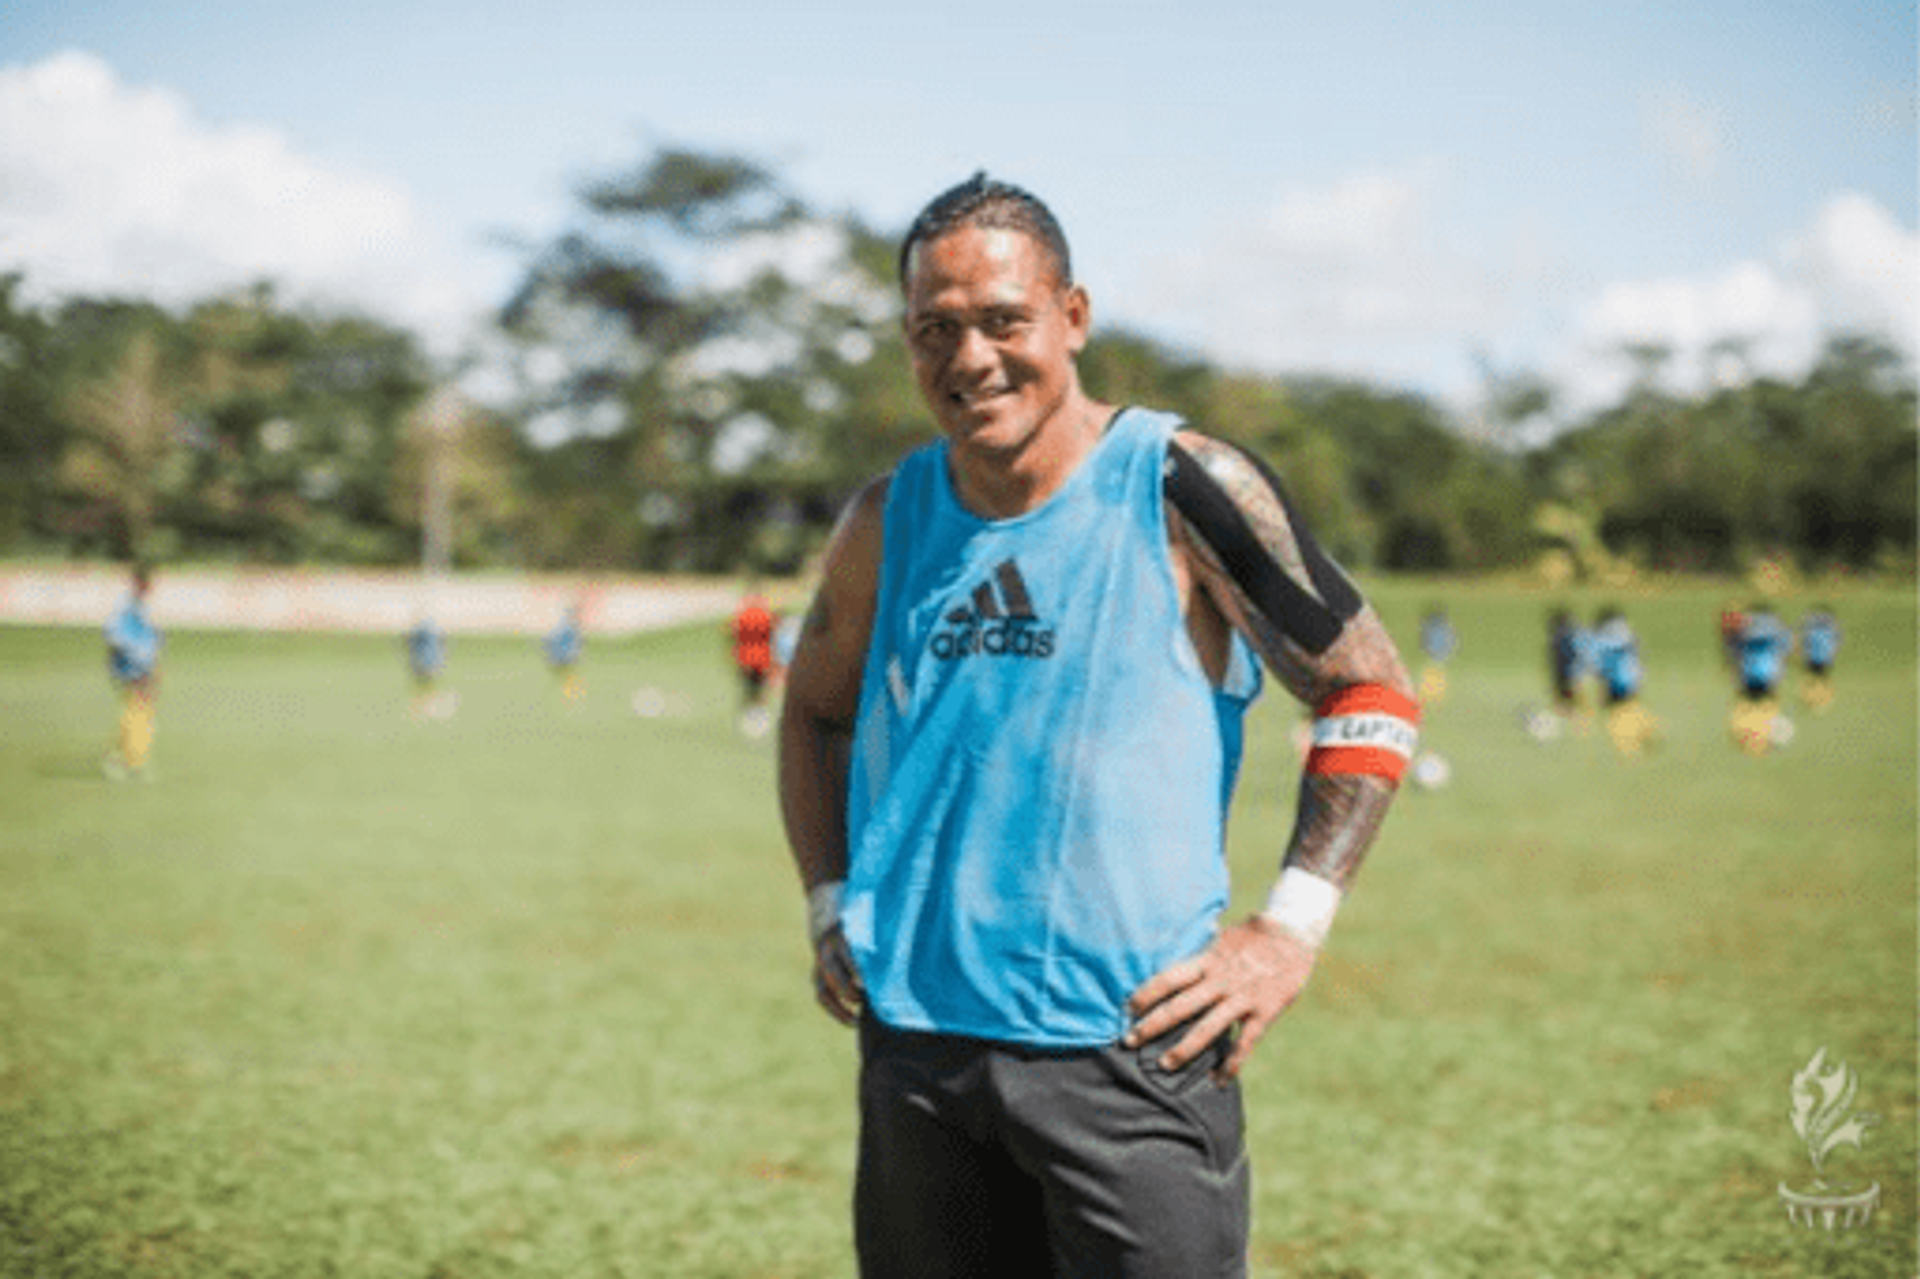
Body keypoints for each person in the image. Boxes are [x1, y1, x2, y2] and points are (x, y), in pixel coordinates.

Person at [777, 174, 1417, 1278]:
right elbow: (814, 711)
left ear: (1072, 316)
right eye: (935, 330)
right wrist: (830, 897)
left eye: (1003, 320)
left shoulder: (1181, 486)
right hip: (919, 1050)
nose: (970, 357)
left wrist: (1287, 933)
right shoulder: (888, 518)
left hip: (1130, 1047)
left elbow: (1369, 690)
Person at [102, 563, 162, 780]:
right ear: (138, 582)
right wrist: (133, 657)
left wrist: (153, 663)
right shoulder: (126, 604)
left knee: (142, 712)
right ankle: (121, 759)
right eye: (147, 583)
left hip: (142, 664)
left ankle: (132, 759)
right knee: (134, 712)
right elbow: (113, 634)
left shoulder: (142, 605)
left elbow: (150, 637)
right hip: (129, 664)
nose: (150, 587)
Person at [1589, 606, 1657, 756]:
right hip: (1630, 679)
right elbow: (1636, 656)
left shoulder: (1605, 640)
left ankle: (1630, 743)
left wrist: (1601, 681)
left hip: (1616, 681)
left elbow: (1601, 664)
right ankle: (1644, 731)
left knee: (1616, 712)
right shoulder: (1627, 635)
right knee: (1630, 706)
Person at [1729, 602, 1794, 755]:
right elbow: (1786, 647)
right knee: (1765, 704)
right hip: (1766, 676)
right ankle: (1759, 736)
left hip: (1751, 675)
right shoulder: (1777, 628)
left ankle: (1750, 735)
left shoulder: (1747, 628)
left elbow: (1735, 647)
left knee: (1750, 704)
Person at [730, 589, 777, 738]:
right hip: (762, 656)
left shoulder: (743, 616)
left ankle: (750, 716)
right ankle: (760, 716)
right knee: (761, 689)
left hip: (746, 657)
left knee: (749, 689)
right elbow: (772, 633)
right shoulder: (765, 615)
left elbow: (734, 633)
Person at [1797, 605, 1841, 715]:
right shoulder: (1822, 696)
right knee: (1819, 646)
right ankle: (1821, 621)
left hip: (1818, 662)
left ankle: (1818, 621)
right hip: (1819, 662)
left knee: (1817, 645)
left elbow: (1827, 685)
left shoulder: (1819, 695)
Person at [405, 616, 450, 721]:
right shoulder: (429, 663)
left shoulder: (427, 663)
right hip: (425, 661)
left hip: (425, 662)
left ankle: (423, 703)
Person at [545, 602, 586, 705]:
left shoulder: (569, 628)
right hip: (562, 656)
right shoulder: (566, 628)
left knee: (566, 676)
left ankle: (567, 692)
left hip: (563, 657)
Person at [1416, 605, 1458, 706]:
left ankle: (1435, 621)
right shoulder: (1440, 653)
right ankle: (1436, 621)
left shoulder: (1437, 653)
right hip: (1437, 650)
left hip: (1436, 650)